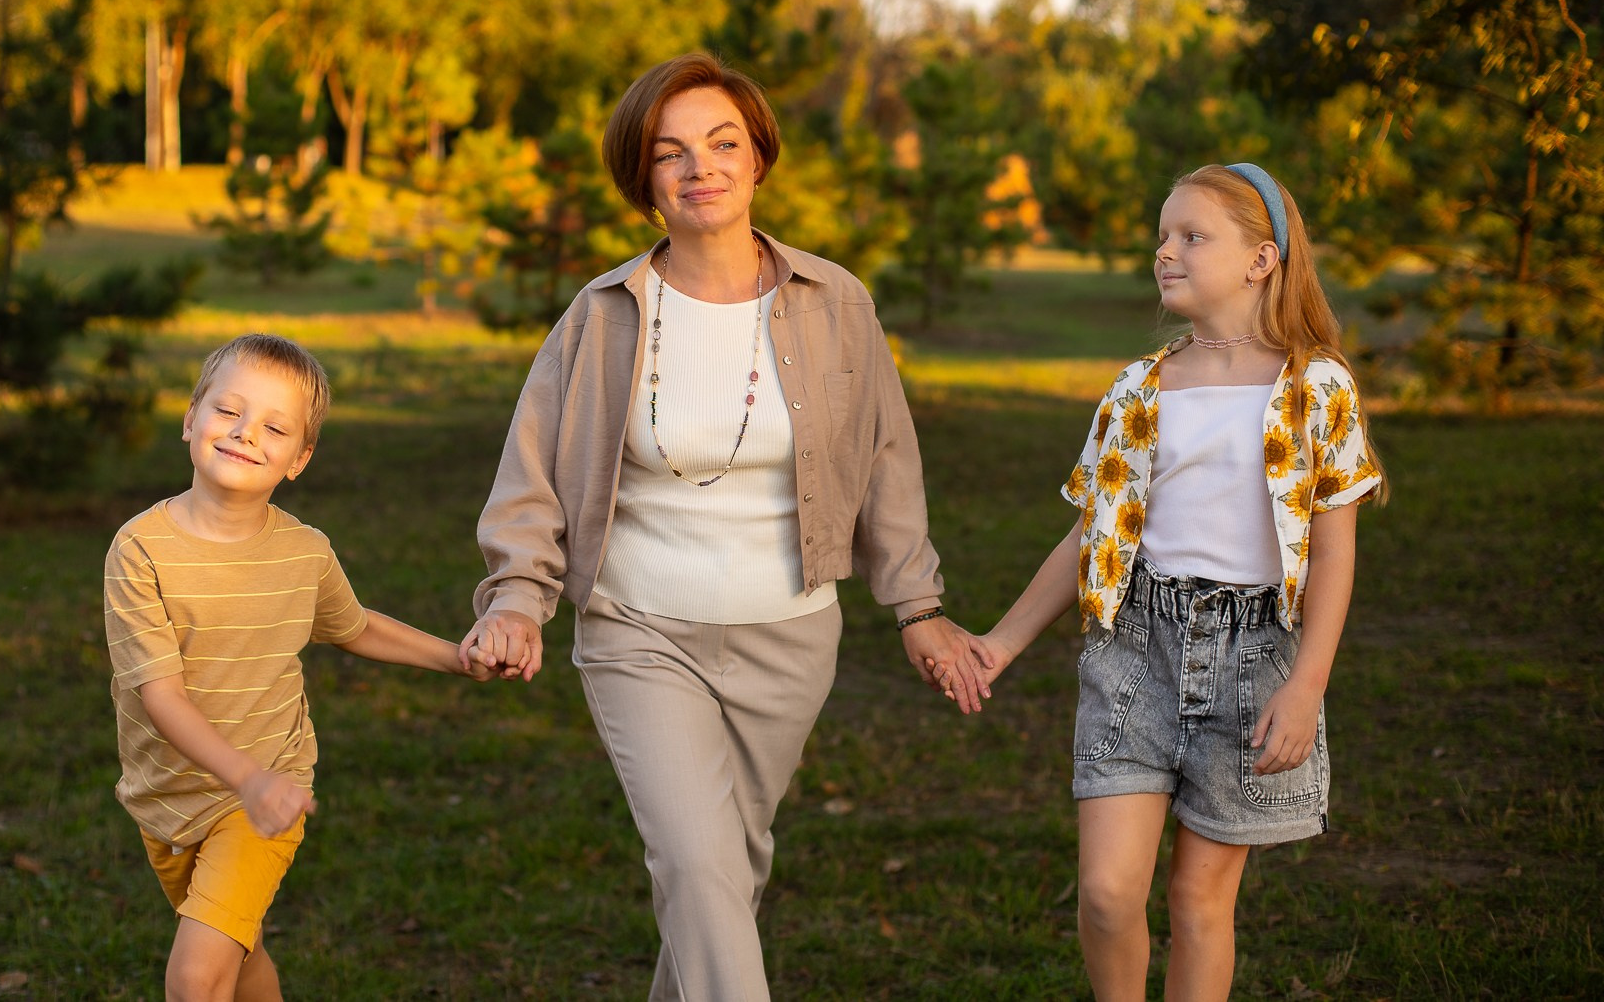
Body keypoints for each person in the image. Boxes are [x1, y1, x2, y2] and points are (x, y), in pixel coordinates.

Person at [460, 52, 989, 1002]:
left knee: (725, 880)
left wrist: (918, 605)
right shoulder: (601, 315)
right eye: (671, 152)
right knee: (702, 872)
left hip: (789, 636)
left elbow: (885, 460)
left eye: (721, 142)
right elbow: (531, 472)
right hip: (639, 631)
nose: (700, 166)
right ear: (644, 180)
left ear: (757, 158)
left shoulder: (836, 304)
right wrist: (515, 597)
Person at [968, 164, 1386, 1001]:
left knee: (1199, 900)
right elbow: (1091, 535)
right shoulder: (1140, 387)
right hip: (1136, 652)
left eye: (1192, 236)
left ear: (1261, 258)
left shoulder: (1317, 387)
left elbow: (1336, 551)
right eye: (1163, 235)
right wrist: (999, 645)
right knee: (1109, 891)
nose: (1166, 251)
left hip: (1254, 658)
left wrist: (1307, 685)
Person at [105, 334, 494, 1002]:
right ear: (190, 417)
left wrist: (456, 657)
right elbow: (160, 696)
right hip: (165, 797)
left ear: (299, 458)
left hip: (264, 793)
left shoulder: (304, 552)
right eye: (228, 411)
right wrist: (244, 781)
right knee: (241, 952)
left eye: (274, 427)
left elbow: (357, 625)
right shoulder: (140, 549)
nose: (245, 433)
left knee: (196, 979)